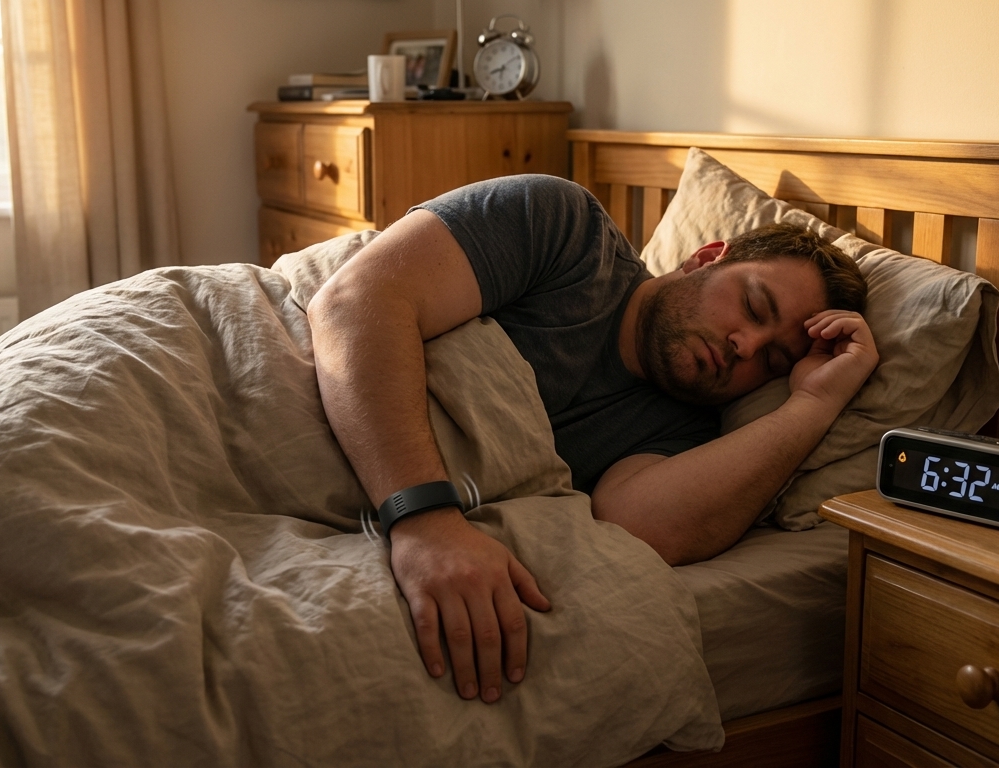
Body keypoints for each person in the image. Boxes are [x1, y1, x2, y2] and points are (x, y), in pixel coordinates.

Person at [307, 174, 877, 706]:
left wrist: (812, 404)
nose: (746, 346)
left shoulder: (688, 434)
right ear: (705, 258)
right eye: (753, 306)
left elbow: (637, 527)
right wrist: (426, 522)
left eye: (774, 359)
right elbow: (354, 301)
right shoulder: (566, 230)